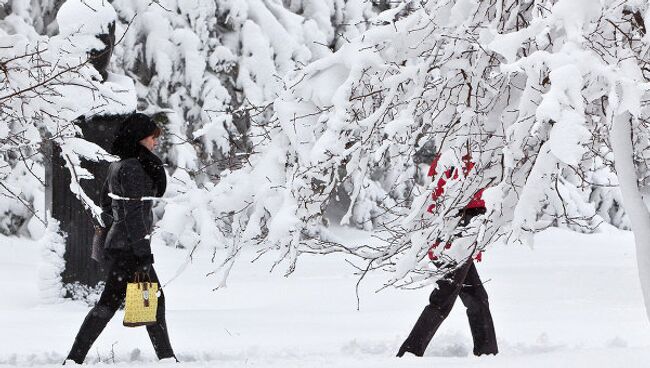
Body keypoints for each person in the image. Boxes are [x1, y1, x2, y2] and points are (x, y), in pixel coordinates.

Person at [64, 113, 177, 364]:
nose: (155, 143)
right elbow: (134, 215)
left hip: (121, 245)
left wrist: (121, 224)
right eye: (151, 137)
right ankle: (167, 358)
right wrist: (143, 252)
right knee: (148, 300)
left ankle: (75, 358)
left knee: (114, 303)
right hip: (130, 249)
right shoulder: (135, 168)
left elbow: (106, 204)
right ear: (139, 139)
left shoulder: (118, 165)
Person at [396, 152, 498, 358]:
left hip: (464, 226)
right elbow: (439, 196)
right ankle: (410, 352)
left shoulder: (481, 149)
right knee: (443, 298)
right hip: (456, 228)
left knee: (476, 297)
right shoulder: (455, 156)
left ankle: (487, 353)